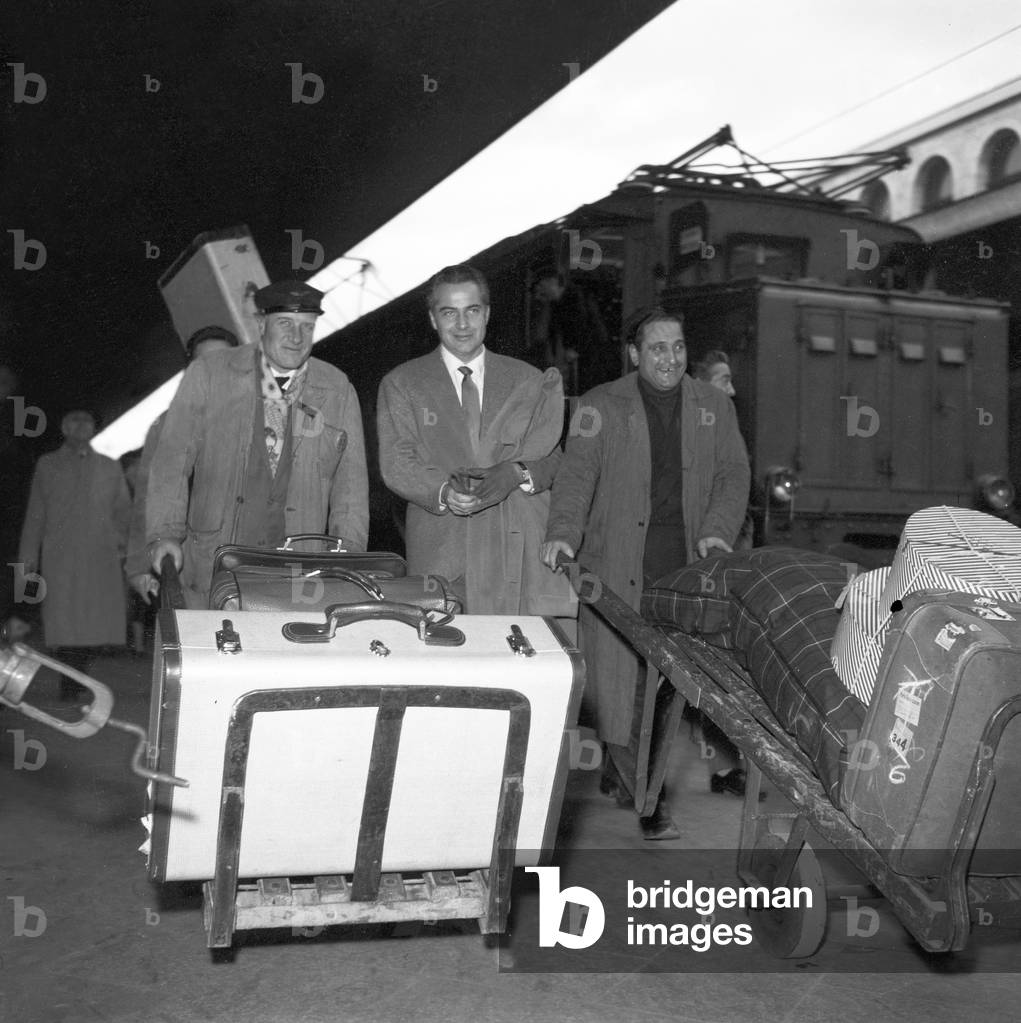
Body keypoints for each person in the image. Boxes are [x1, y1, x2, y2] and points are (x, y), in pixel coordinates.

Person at [540, 309, 750, 839]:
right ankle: (634, 779)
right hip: (617, 565)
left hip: (684, 568)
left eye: (678, 347)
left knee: (666, 685)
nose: (671, 358)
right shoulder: (599, 405)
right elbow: (575, 476)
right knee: (620, 683)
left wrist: (719, 530)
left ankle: (647, 796)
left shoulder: (713, 406)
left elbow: (733, 473)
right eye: (657, 348)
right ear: (634, 354)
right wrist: (563, 532)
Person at [147, 281, 369, 608]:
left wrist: (348, 554)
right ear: (261, 324)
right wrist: (165, 534)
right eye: (285, 324)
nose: (297, 337)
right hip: (214, 561)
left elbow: (350, 483)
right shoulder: (209, 374)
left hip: (298, 571)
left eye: (307, 327)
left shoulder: (337, 388)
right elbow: (172, 461)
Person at [377, 264, 572, 614]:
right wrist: (443, 492)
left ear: (487, 314)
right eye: (449, 313)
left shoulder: (527, 379)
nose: (462, 324)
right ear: (433, 319)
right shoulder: (402, 383)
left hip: (513, 556)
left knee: (512, 662)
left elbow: (553, 457)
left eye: (472, 311)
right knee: (445, 663)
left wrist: (519, 473)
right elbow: (396, 461)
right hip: (443, 560)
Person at [18, 409, 131, 698]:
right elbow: (35, 513)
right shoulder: (48, 464)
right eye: (74, 421)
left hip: (99, 557)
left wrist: (122, 545)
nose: (81, 426)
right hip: (61, 557)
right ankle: (70, 684)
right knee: (64, 623)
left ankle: (79, 681)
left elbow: (123, 512)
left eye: (87, 421)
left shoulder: (109, 466)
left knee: (93, 624)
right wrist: (28, 556)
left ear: (94, 428)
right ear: (64, 427)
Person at [125, 326, 239, 605]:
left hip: (253, 569)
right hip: (189, 568)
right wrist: (139, 568)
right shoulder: (167, 427)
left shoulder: (267, 419)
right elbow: (147, 500)